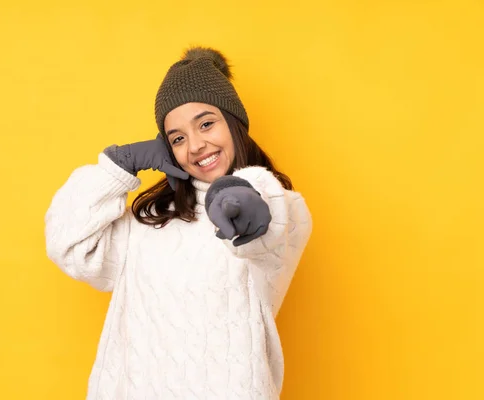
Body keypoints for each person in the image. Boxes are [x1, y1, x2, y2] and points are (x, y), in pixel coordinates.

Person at [44, 46, 312, 399]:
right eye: (178, 138)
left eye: (206, 124)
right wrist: (121, 164)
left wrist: (240, 196)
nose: (197, 145)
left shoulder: (282, 208)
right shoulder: (148, 222)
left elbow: (267, 227)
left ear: (233, 123)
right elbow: (70, 248)